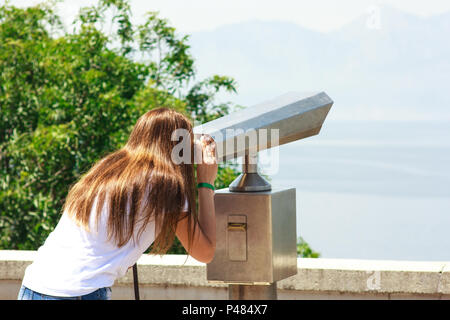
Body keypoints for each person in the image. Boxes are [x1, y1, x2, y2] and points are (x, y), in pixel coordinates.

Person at [17, 107, 218, 300]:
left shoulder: (106, 170)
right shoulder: (166, 184)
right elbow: (205, 252)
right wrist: (206, 181)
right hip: (77, 293)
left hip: (33, 286)